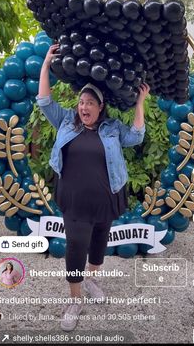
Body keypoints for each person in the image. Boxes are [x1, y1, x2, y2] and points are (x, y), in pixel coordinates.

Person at [36, 44, 150, 331]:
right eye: (81, 102)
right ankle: (75, 300)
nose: (84, 107)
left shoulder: (111, 128)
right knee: (76, 247)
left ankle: (91, 279)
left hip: (106, 198)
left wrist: (140, 103)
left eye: (90, 103)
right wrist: (47, 64)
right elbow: (43, 100)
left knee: (99, 242)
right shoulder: (65, 122)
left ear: (100, 108)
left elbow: (136, 136)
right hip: (74, 200)